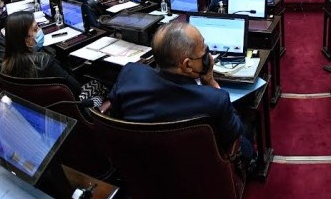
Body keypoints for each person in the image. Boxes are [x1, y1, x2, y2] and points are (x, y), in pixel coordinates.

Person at [108, 23, 253, 161]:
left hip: (140, 164)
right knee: (246, 126)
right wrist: (211, 82)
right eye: (204, 51)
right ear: (187, 65)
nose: (207, 55)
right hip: (200, 171)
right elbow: (233, 135)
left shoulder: (129, 74)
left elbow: (116, 118)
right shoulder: (215, 99)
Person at [0, 11, 83, 95]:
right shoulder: (43, 62)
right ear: (27, 41)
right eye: (36, 29)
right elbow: (76, 89)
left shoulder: (6, 66)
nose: (40, 30)